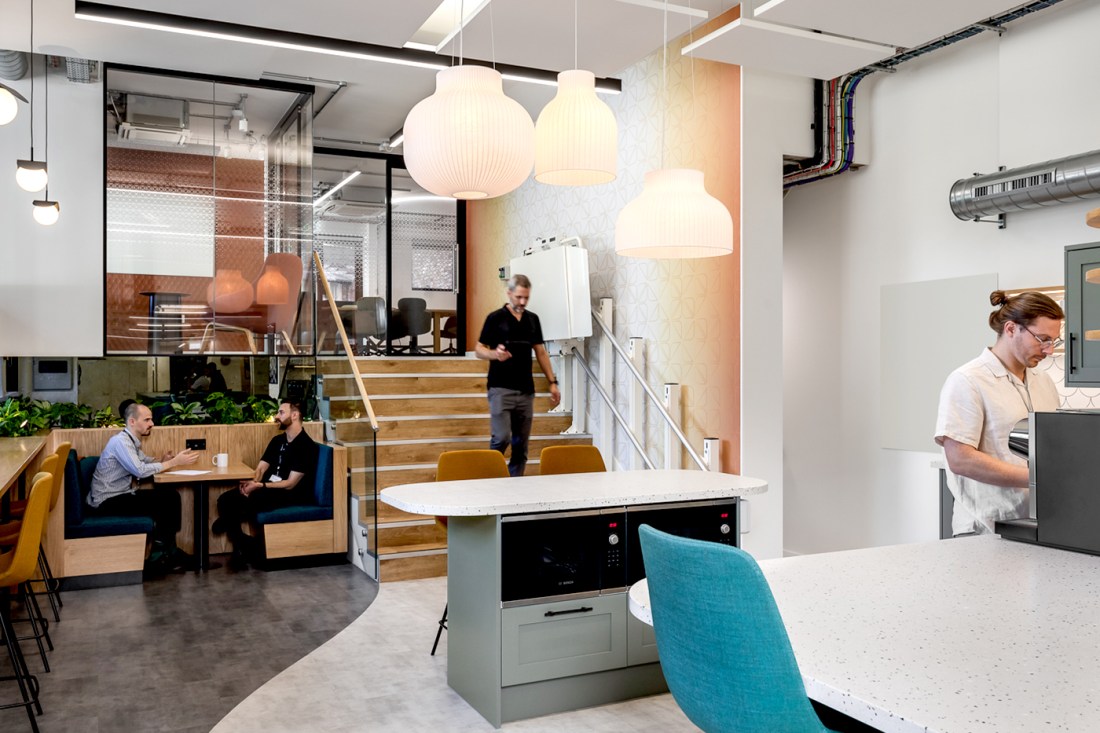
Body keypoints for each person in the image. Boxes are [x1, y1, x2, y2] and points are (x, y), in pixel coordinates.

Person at [934, 290, 1064, 536]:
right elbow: (960, 459)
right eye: (1042, 339)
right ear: (1012, 329)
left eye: (1053, 342)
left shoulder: (1043, 381)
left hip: (1036, 522)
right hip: (985, 527)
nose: (1048, 350)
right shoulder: (967, 380)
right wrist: (1038, 478)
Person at [88, 402, 198, 573]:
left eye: (151, 419)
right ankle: (162, 555)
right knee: (168, 498)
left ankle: (166, 552)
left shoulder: (130, 441)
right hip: (107, 501)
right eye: (147, 420)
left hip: (119, 495)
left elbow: (144, 461)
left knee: (169, 496)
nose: (152, 424)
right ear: (132, 422)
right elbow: (139, 470)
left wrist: (163, 461)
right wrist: (173, 462)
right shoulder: (120, 442)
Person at [213, 399, 317, 569]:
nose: (276, 416)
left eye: (281, 413)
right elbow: (261, 468)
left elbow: (290, 484)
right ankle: (244, 544)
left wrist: (259, 486)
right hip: (267, 489)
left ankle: (233, 533)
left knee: (240, 504)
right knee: (225, 499)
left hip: (290, 494)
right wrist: (252, 482)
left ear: (295, 415)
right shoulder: (277, 441)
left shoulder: (306, 446)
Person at [475, 274, 562, 476]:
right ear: (509, 293)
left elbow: (540, 352)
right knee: (502, 438)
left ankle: (514, 488)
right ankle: (490, 479)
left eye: (526, 298)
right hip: (500, 389)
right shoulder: (495, 318)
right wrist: (494, 355)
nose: (522, 302)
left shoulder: (532, 320)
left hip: (525, 391)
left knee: (521, 446)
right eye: (518, 297)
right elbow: (479, 349)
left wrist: (552, 382)